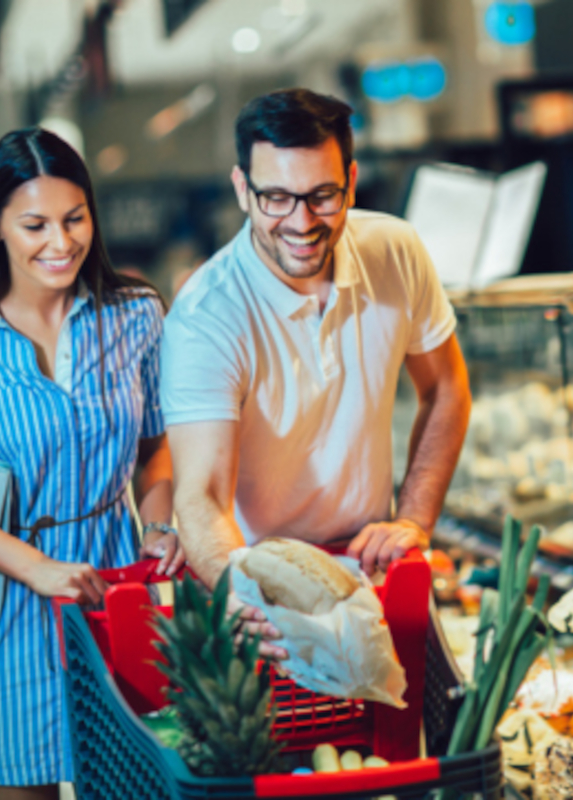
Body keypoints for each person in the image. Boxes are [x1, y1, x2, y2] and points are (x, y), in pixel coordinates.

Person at [0, 128, 184, 799]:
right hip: (6, 606)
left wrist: (162, 522)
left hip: (116, 596)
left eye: (75, 218)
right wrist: (39, 569)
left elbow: (154, 445)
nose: (61, 243)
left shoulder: (136, 316)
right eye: (35, 224)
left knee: (134, 781)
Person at [160, 88, 472, 656]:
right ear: (241, 190)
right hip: (261, 594)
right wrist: (243, 594)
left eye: (322, 196)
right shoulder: (207, 314)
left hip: (374, 575)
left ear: (351, 182)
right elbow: (200, 493)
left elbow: (447, 386)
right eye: (275, 197)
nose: (301, 222)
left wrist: (415, 520)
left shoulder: (395, 250)